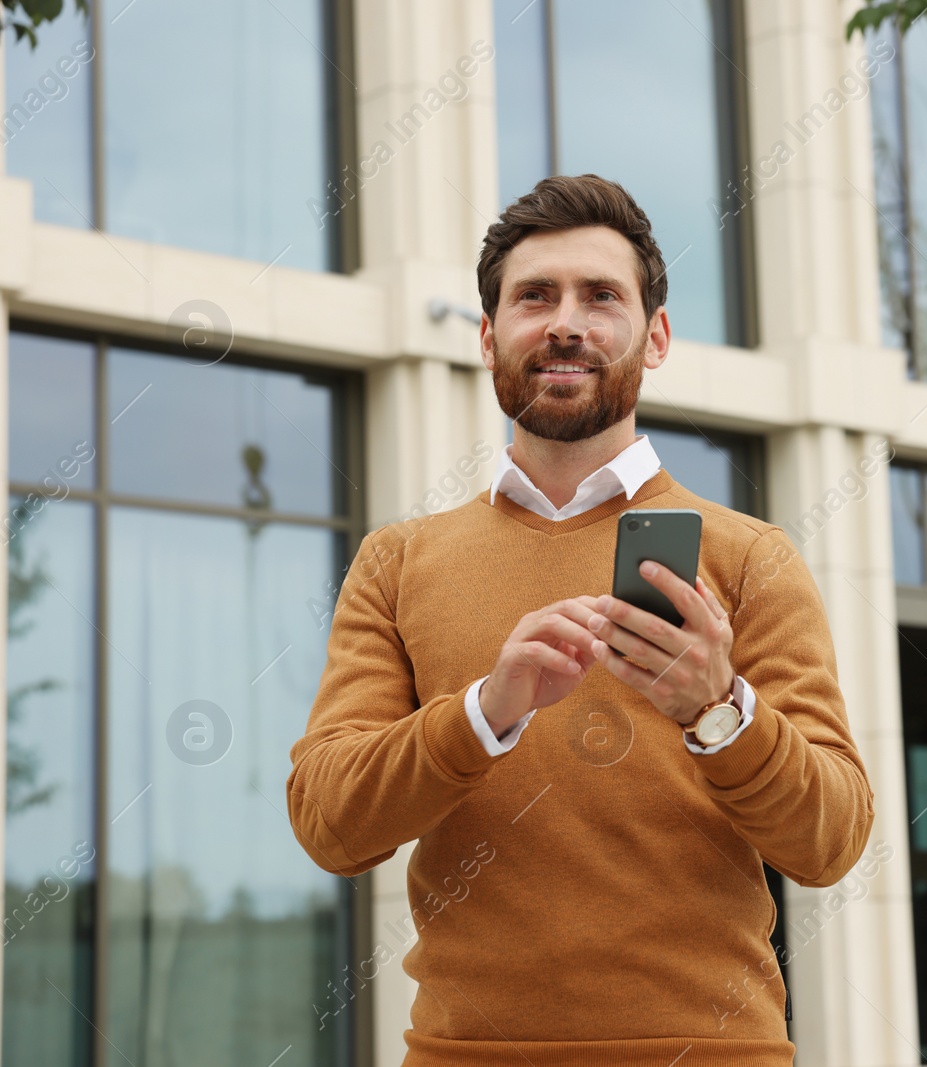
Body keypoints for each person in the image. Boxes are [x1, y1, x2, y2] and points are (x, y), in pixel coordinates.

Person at [285, 174, 875, 1066]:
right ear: (488, 339)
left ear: (656, 335)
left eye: (602, 296)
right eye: (534, 297)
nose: (566, 322)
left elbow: (831, 840)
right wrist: (486, 710)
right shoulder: (397, 561)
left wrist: (721, 710)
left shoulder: (753, 558)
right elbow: (331, 823)